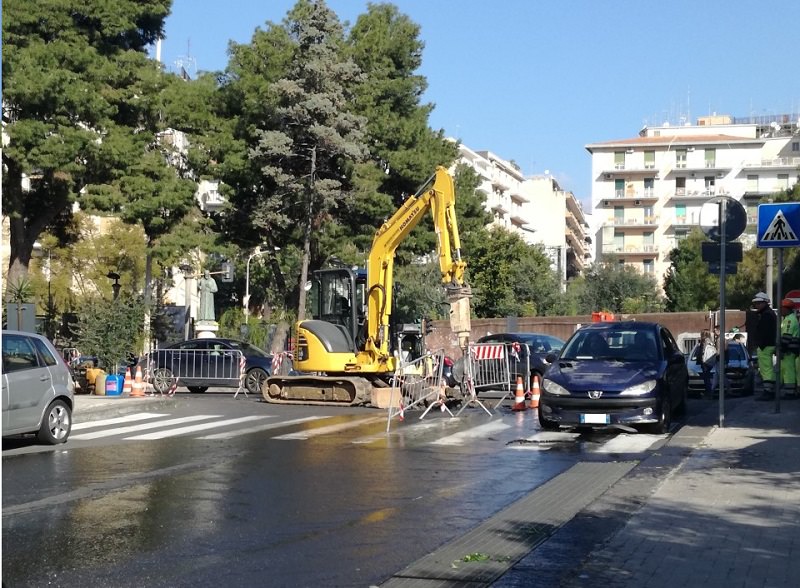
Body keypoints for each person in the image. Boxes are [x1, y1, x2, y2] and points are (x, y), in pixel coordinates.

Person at [751, 292, 778, 401]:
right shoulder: (769, 313)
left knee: (766, 369)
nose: (756, 306)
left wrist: (760, 344)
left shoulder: (766, 315)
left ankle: (768, 391)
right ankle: (769, 390)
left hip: (765, 346)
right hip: (767, 345)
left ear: (764, 303)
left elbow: (764, 332)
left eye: (758, 303)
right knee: (767, 368)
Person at [778, 298, 800, 399]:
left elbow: (787, 336)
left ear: (787, 309)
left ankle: (790, 392)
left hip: (789, 350)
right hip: (790, 349)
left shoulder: (790, 320)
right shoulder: (789, 319)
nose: (780, 310)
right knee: (787, 370)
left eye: (781, 308)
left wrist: (782, 349)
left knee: (788, 371)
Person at [696, 329, 716, 396]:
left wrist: (702, 362)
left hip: (705, 362)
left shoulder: (704, 341)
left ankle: (709, 392)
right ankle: (710, 392)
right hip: (710, 361)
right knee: (708, 377)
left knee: (706, 378)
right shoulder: (711, 341)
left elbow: (703, 353)